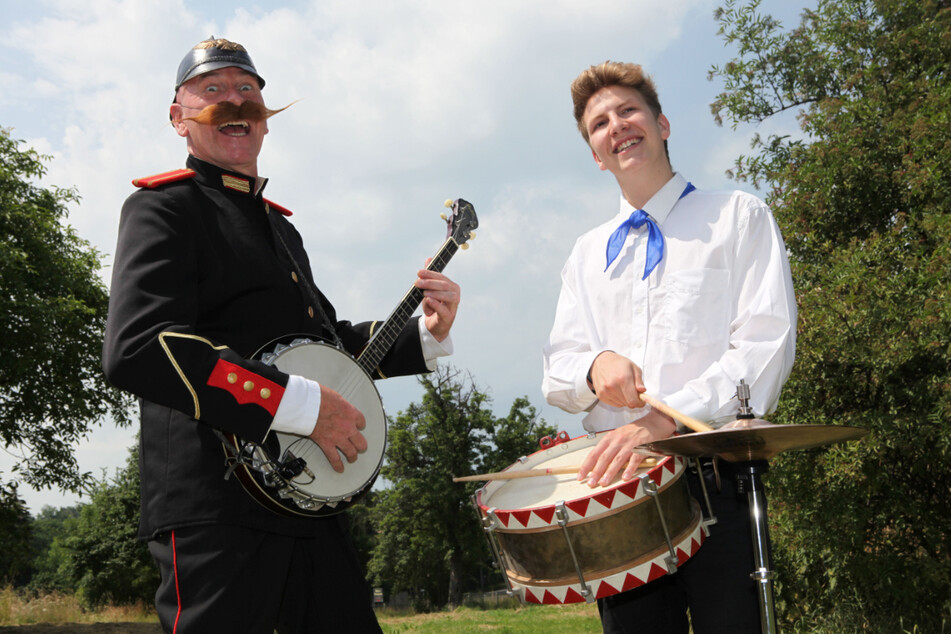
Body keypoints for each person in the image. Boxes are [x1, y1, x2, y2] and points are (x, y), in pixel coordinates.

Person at [102, 38, 461, 633]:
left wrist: (425, 332)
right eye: (212, 90)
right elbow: (139, 346)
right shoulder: (161, 210)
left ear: (265, 120)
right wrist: (295, 405)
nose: (233, 101)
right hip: (216, 505)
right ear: (178, 119)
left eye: (247, 90)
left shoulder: (279, 228)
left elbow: (323, 350)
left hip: (308, 494)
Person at [541, 61, 796, 633]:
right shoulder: (585, 256)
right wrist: (591, 367)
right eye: (599, 123)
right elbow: (556, 370)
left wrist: (665, 420)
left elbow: (764, 348)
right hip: (619, 497)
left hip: (716, 482)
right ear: (595, 154)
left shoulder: (738, 216)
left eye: (628, 110)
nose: (617, 125)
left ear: (662, 124)